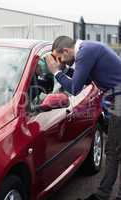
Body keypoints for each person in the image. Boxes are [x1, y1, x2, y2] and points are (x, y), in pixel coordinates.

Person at [45, 36, 121, 200]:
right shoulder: (87, 49)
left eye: (59, 58)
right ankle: (105, 193)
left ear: (66, 51)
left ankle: (102, 195)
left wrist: (56, 72)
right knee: (114, 150)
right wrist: (63, 72)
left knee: (113, 150)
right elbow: (84, 79)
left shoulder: (85, 53)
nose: (60, 62)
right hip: (116, 99)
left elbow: (74, 88)